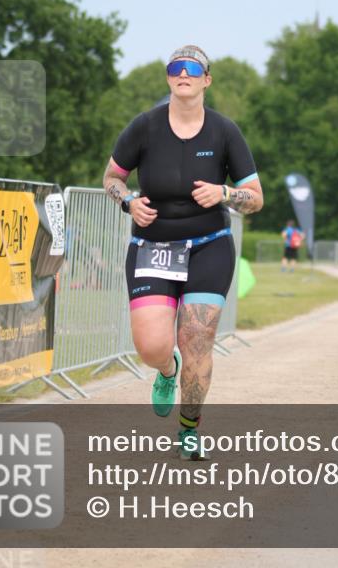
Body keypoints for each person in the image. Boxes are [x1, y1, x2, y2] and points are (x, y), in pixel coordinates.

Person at [103, 45, 263, 458]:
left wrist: (225, 193)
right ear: (169, 78)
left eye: (193, 68)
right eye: (177, 67)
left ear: (207, 79)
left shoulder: (225, 132)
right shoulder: (144, 127)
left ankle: (189, 429)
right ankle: (166, 370)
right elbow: (112, 178)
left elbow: (256, 198)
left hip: (209, 247)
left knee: (197, 338)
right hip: (152, 245)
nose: (184, 73)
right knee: (152, 345)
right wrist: (127, 201)